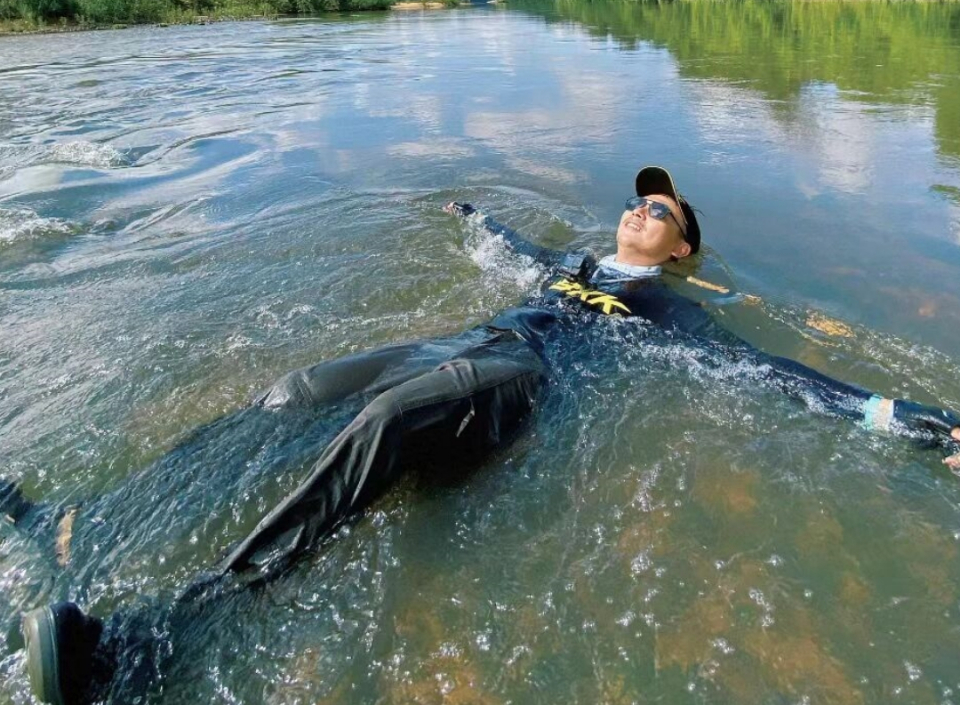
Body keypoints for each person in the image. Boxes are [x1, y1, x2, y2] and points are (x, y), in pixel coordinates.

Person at [8, 165, 960, 705]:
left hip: (516, 380)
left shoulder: (671, 312)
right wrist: (473, 214)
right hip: (459, 340)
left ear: (680, 248)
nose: (641, 208)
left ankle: (156, 645)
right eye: (640, 200)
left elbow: (780, 378)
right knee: (291, 390)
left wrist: (907, 420)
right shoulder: (575, 261)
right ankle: (80, 522)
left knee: (385, 421)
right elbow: (507, 247)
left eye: (660, 211)